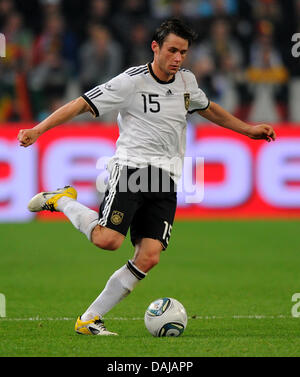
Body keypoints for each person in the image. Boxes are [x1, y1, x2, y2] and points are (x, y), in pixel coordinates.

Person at [17, 19, 276, 336]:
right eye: (172, 50)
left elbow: (209, 108)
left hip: (167, 179)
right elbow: (81, 104)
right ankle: (62, 201)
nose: (178, 58)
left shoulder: (186, 82)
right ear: (155, 47)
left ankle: (89, 319)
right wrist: (38, 129)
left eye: (183, 52)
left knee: (150, 256)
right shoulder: (131, 82)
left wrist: (248, 129)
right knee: (108, 240)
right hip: (132, 170)